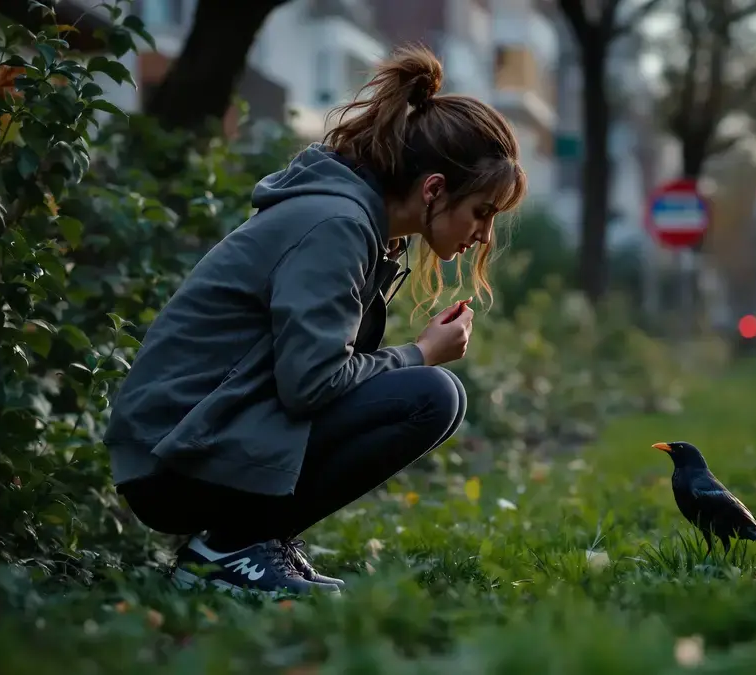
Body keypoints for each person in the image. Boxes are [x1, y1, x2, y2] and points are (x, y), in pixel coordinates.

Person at [103, 45, 527, 597]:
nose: (483, 235)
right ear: (433, 189)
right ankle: (229, 548)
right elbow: (312, 385)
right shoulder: (337, 224)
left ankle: (250, 541)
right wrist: (417, 353)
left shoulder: (356, 223)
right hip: (172, 459)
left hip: (196, 440)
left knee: (433, 393)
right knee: (431, 393)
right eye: (482, 212)